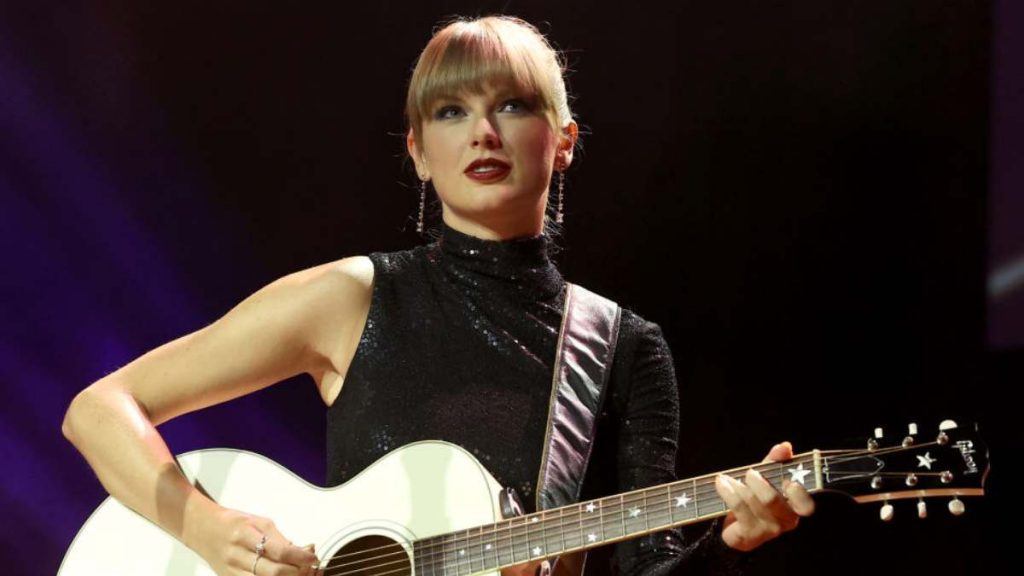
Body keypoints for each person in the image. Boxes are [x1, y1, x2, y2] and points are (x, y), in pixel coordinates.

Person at [63, 15, 814, 576]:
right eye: (451, 111)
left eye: (512, 105)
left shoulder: (623, 348)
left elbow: (648, 567)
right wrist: (207, 531)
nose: (483, 131)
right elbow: (98, 410)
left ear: (563, 140)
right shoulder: (352, 298)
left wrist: (732, 543)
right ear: (419, 153)